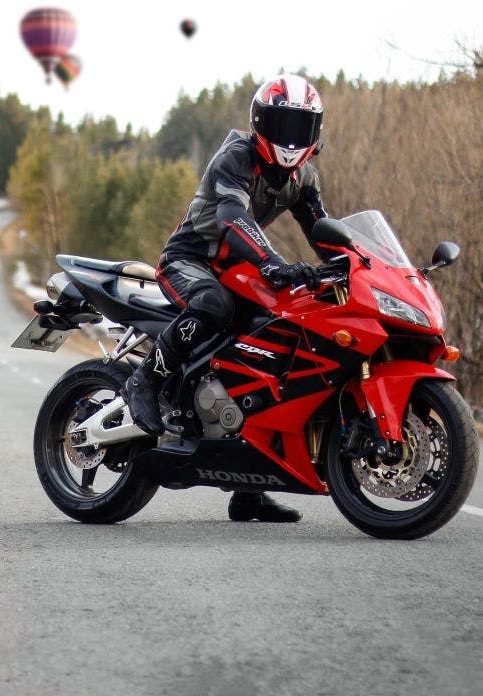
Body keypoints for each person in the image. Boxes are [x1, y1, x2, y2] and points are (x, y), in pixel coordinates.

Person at [123, 74, 330, 523]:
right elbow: (233, 217)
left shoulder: (303, 177)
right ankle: (147, 379)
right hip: (190, 258)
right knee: (214, 305)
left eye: (301, 128)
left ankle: (249, 490)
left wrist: (358, 265)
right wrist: (273, 262)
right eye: (281, 124)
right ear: (260, 123)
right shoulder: (235, 157)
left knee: (272, 342)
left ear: (314, 133)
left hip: (239, 267)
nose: (290, 138)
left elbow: (322, 231)